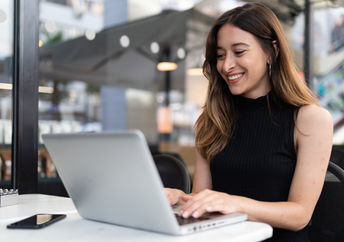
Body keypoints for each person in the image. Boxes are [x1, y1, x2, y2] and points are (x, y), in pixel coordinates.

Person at [165, 3, 333, 242]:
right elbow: (206, 203)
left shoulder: (310, 119)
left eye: (239, 52)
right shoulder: (210, 121)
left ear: (271, 52)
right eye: (220, 55)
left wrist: (234, 203)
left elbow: (300, 215)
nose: (226, 65)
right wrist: (181, 199)